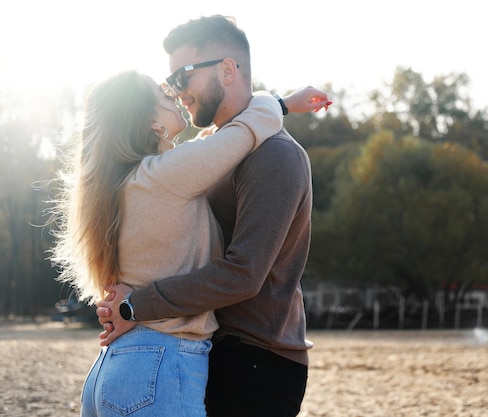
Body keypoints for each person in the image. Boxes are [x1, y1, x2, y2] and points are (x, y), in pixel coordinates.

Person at [49, 68, 329, 415]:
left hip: (118, 365)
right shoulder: (168, 174)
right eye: (164, 95)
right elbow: (243, 131)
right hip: (161, 363)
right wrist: (280, 104)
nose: (174, 95)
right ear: (151, 123)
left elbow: (213, 142)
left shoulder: (130, 181)